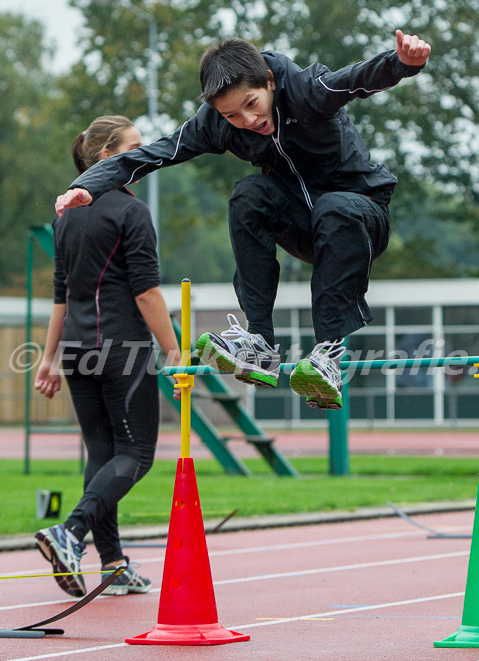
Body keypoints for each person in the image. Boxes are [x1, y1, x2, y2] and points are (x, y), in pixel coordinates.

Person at [55, 30, 431, 410]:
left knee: (334, 206)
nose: (249, 120)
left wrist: (403, 63)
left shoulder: (304, 89)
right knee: (249, 195)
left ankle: (328, 353)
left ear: (269, 80)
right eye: (232, 115)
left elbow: (355, 79)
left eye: (252, 104)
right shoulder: (215, 124)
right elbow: (155, 153)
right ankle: (260, 342)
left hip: (361, 219)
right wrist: (88, 184)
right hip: (304, 228)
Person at [35, 115, 182, 598]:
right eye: (134, 148)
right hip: (121, 349)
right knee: (136, 454)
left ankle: (114, 564)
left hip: (78, 352)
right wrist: (174, 349)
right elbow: (145, 293)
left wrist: (48, 359)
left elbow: (61, 296)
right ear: (106, 157)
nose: (143, 157)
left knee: (102, 453)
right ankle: (70, 532)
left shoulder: (66, 212)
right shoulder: (130, 211)